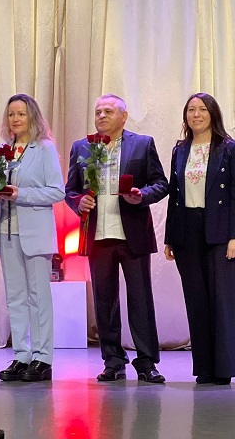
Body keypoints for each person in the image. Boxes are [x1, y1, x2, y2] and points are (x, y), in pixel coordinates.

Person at [65, 94, 168, 383]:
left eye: (108, 111)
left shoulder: (142, 144)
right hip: (98, 236)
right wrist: (78, 202)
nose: (101, 116)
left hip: (132, 234)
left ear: (123, 116)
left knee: (140, 300)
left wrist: (141, 196)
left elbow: (161, 183)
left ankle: (146, 362)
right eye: (98, 111)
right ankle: (113, 361)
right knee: (104, 302)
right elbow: (70, 190)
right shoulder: (82, 147)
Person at [0, 94, 64, 382]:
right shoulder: (3, 151)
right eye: (11, 114)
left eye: (21, 113)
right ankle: (21, 355)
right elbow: (1, 189)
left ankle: (43, 357)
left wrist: (20, 194)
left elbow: (56, 191)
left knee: (38, 296)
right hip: (7, 230)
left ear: (32, 116)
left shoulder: (44, 148)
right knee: (15, 297)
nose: (15, 119)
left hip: (35, 233)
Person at [164, 93, 235, 385]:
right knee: (196, 299)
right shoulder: (180, 149)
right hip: (187, 229)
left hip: (219, 228)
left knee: (221, 299)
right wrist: (170, 237)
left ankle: (223, 369)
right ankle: (204, 368)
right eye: (191, 110)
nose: (196, 114)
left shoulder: (228, 148)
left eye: (202, 109)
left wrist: (234, 236)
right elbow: (174, 194)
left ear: (213, 114)